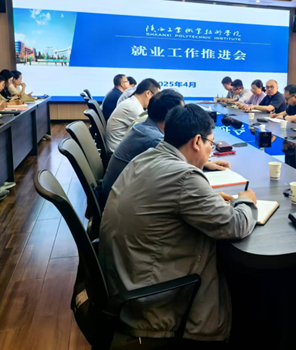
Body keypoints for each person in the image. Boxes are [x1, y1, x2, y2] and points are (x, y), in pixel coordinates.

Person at [99, 104, 258, 343]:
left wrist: (209, 200)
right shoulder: (185, 177)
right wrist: (246, 201)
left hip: (126, 281)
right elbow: (235, 225)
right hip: (152, 304)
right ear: (197, 142)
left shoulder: (146, 157)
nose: (210, 151)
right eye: (211, 144)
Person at [101, 89, 231, 204]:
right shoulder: (154, 139)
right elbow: (183, 173)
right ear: (171, 115)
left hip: (118, 197)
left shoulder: (145, 126)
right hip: (119, 201)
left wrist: (205, 163)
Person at [106, 78, 160, 152]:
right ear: (148, 93)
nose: (156, 101)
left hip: (118, 147)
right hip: (117, 151)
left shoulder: (132, 103)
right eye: (156, 97)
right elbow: (151, 132)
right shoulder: (133, 108)